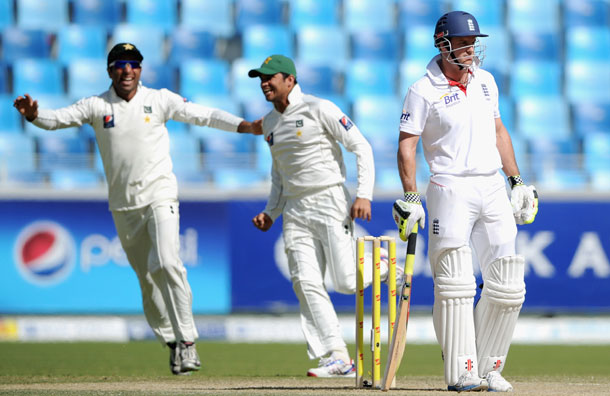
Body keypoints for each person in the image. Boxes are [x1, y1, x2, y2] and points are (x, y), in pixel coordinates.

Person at [14, 42, 262, 376]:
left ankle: (188, 342)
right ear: (110, 70)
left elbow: (202, 114)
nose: (127, 70)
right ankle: (172, 342)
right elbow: (57, 119)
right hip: (123, 206)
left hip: (160, 196)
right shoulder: (96, 105)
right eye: (120, 64)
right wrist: (33, 116)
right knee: (147, 280)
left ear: (141, 70)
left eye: (133, 63)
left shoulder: (158, 99)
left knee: (169, 263)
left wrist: (243, 126)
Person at [392, 11, 538, 392]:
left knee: (508, 281)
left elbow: (498, 130)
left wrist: (516, 181)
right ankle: (461, 371)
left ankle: (489, 368)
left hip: (491, 186)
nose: (471, 49)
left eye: (474, 42)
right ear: (443, 44)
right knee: (455, 282)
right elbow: (406, 146)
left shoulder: (486, 82)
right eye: (463, 42)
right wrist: (410, 193)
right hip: (448, 187)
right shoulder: (422, 89)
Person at [248, 54, 387, 378]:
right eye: (261, 79)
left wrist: (363, 193)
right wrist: (271, 213)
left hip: (329, 199)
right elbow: (279, 177)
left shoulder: (318, 108)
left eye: (270, 77)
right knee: (305, 282)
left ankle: (382, 264)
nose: (264, 83)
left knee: (345, 281)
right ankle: (337, 357)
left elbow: (361, 147)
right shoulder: (269, 123)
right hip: (295, 211)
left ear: (290, 80)